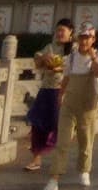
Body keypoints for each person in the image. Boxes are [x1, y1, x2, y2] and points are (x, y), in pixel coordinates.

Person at [46, 23, 98, 190]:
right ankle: (54, 178)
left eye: (88, 38)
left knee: (86, 140)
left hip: (88, 104)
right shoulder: (71, 57)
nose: (84, 41)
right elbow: (66, 78)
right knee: (62, 141)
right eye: (82, 38)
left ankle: (84, 170)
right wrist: (60, 94)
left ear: (93, 39)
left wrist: (93, 57)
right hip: (70, 103)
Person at [26, 20, 72, 171]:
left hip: (62, 91)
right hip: (46, 89)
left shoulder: (75, 50)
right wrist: (43, 59)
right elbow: (38, 61)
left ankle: (59, 160)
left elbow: (69, 68)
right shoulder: (50, 47)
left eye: (63, 30)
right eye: (58, 30)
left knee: (58, 125)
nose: (59, 33)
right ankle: (36, 158)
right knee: (38, 124)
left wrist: (57, 67)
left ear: (70, 32)